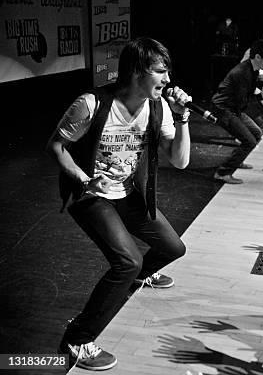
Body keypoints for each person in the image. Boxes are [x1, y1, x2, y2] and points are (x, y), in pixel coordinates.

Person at [46, 37, 191, 371]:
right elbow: (56, 147)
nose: (167, 80)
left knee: (173, 248)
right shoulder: (91, 104)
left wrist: (182, 118)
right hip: (91, 195)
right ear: (137, 71)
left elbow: (180, 161)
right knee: (127, 262)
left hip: (128, 193)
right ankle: (78, 339)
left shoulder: (159, 107)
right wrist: (84, 179)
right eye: (160, 72)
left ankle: (139, 278)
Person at [211, 39, 263, 184]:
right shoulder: (243, 72)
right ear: (258, 57)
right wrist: (260, 97)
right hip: (224, 110)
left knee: (257, 133)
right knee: (249, 141)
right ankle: (222, 173)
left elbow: (248, 97)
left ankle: (236, 161)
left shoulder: (252, 70)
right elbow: (243, 101)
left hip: (233, 109)